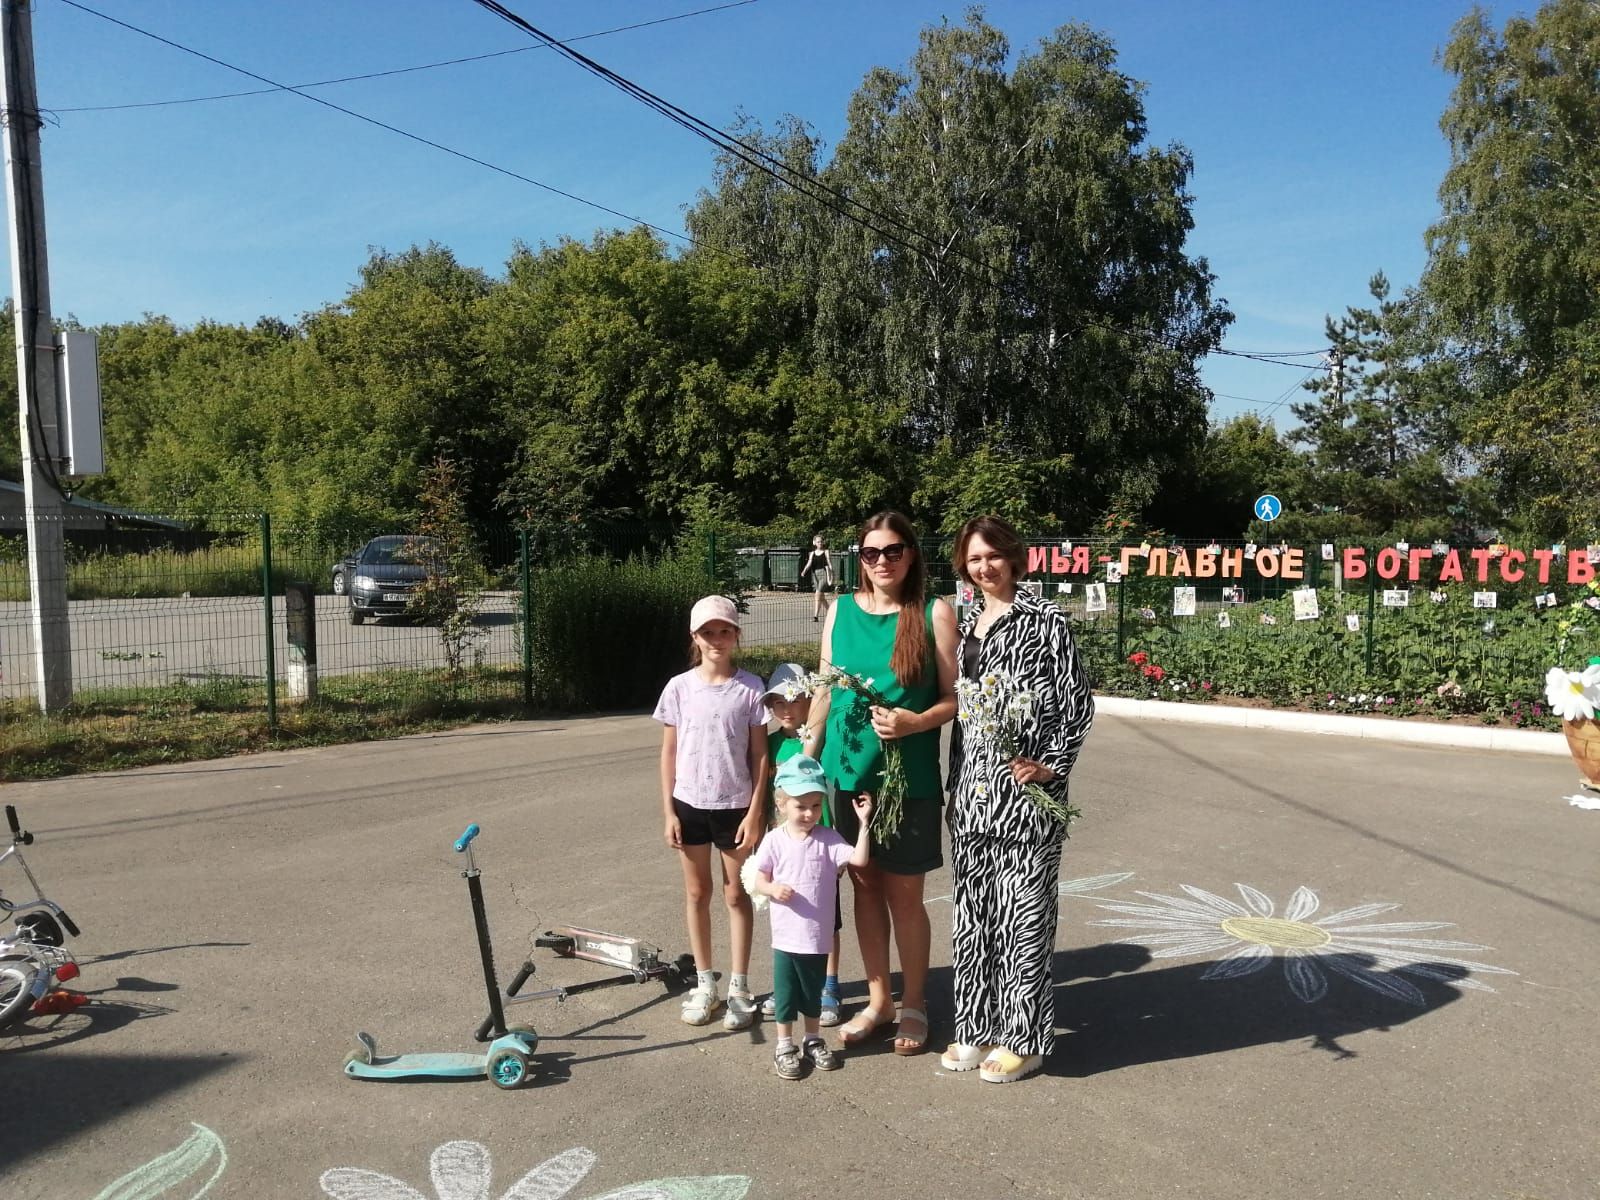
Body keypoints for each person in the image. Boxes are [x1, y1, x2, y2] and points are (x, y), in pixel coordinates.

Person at [941, 516, 1094, 1084]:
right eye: (974, 559)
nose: (984, 568)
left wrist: (1051, 764)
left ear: (1014, 557)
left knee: (1023, 918)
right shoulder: (969, 624)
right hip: (974, 797)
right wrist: (955, 785)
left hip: (1027, 797)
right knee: (974, 915)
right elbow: (965, 718)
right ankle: (976, 1029)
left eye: (993, 557)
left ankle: (1025, 1037)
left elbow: (1078, 704)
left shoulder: (1045, 620)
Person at [804, 511, 958, 1056]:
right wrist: (804, 757)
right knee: (863, 887)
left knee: (905, 895)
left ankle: (913, 1003)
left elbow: (954, 698)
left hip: (908, 779)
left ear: (911, 554)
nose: (883, 561)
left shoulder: (932, 612)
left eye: (894, 550)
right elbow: (823, 692)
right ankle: (878, 1001)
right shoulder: (840, 612)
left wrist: (915, 722)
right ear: (859, 559)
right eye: (871, 553)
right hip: (846, 777)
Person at [653, 594, 769, 1029]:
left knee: (737, 894)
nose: (716, 639)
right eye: (707, 632)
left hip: (735, 808)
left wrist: (755, 812)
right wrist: (669, 812)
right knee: (698, 894)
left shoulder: (751, 688)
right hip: (689, 806)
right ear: (694, 637)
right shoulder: (679, 688)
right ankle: (706, 984)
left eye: (724, 631)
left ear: (736, 634)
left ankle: (739, 986)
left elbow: (760, 756)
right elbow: (669, 753)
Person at [748, 755, 873, 1079]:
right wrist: (772, 889)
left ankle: (812, 1038)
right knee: (787, 995)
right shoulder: (775, 840)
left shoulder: (829, 839)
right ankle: (784, 1045)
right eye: (800, 806)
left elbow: (858, 859)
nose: (809, 813)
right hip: (786, 937)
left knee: (813, 993)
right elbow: (758, 878)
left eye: (815, 806)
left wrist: (863, 823)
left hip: (816, 937)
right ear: (781, 803)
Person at [760, 662, 844, 1025]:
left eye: (795, 699)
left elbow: (825, 703)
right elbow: (766, 793)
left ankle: (829, 984)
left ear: (810, 698)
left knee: (827, 920)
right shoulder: (770, 743)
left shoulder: (816, 738)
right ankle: (788, 986)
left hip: (820, 850)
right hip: (783, 852)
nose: (786, 709)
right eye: (777, 702)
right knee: (788, 918)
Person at [800, 535, 834, 622]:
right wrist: (804, 571)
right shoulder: (812, 553)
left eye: (821, 541)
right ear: (814, 542)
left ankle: (815, 616)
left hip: (823, 574)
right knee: (821, 597)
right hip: (815, 575)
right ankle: (832, 613)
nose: (820, 543)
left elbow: (829, 562)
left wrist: (831, 571)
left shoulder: (826, 552)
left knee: (817, 594)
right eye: (818, 542)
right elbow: (809, 563)